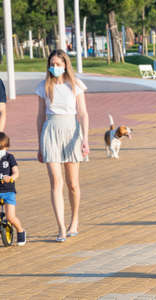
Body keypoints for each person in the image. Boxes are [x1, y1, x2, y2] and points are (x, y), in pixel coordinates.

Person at [35, 49, 89, 242]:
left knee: (72, 184)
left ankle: (74, 221)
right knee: (55, 183)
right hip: (50, 131)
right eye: (52, 64)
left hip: (71, 131)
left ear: (65, 65)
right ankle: (60, 227)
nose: (55, 67)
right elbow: (40, 115)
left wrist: (85, 139)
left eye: (58, 64)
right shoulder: (44, 86)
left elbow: (82, 113)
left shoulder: (75, 85)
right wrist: (40, 143)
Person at [0, 132, 26, 246]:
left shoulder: (9, 157)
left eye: (1, 148)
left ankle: (20, 231)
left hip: (8, 191)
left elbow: (16, 172)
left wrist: (11, 178)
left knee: (10, 216)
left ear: (6, 147)